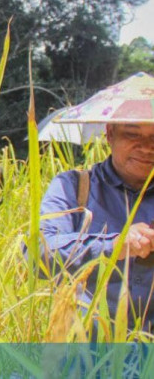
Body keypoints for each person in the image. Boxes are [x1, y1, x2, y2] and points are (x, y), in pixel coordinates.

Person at [40, 122, 154, 331]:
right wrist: (114, 245)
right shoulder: (73, 187)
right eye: (132, 135)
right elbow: (39, 254)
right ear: (110, 134)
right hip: (84, 351)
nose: (147, 147)